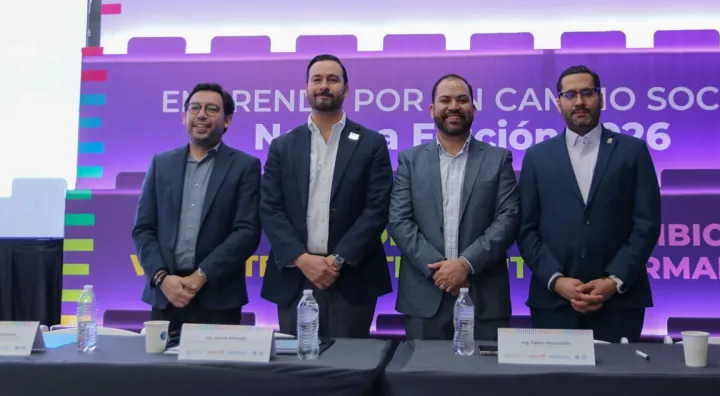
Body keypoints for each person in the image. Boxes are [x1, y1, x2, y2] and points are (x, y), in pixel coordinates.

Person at [517, 65, 661, 342]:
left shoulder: (633, 152)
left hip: (620, 303)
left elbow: (647, 224)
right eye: (570, 95)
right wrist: (557, 281)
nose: (579, 101)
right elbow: (526, 230)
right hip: (554, 303)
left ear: (601, 98)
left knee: (619, 373)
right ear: (558, 103)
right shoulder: (537, 157)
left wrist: (613, 281)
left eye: (587, 93)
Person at [260, 54, 393, 338]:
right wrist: (301, 258)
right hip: (295, 277)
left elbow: (377, 209)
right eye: (317, 79)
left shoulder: (371, 143)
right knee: (296, 362)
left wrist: (338, 260)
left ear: (346, 89)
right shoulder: (282, 146)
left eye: (333, 80)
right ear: (306, 88)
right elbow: (270, 209)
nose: (324, 86)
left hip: (352, 277)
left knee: (347, 361)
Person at [388, 74, 520, 340]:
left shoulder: (498, 159)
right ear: (432, 109)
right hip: (424, 298)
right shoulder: (410, 160)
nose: (453, 107)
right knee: (424, 368)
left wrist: (465, 265)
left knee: (486, 368)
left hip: (484, 296)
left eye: (462, 100)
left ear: (473, 108)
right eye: (445, 100)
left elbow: (508, 218)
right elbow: (399, 221)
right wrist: (441, 272)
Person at [132, 83, 262, 336]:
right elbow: (143, 229)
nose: (201, 115)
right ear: (184, 116)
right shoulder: (161, 164)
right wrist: (162, 278)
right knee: (158, 362)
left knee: (215, 363)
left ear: (227, 120)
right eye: (195, 108)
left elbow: (247, 232)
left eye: (212, 109)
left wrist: (200, 276)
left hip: (218, 298)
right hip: (166, 296)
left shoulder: (245, 167)